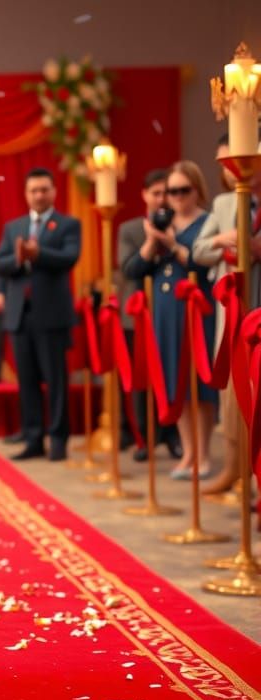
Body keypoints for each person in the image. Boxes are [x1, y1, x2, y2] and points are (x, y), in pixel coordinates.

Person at [124, 160, 215, 480]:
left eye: (182, 190)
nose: (175, 197)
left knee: (198, 385)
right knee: (175, 383)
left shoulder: (208, 222)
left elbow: (206, 265)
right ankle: (188, 452)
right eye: (171, 191)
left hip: (194, 308)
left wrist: (174, 246)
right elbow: (133, 270)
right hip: (164, 309)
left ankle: (203, 455)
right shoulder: (161, 221)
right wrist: (154, 241)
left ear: (196, 190)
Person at [0, 167, 80, 462]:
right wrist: (19, 258)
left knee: (56, 381)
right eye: (33, 190)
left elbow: (70, 258)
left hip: (52, 315)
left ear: (54, 192)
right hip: (20, 315)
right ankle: (32, 438)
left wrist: (37, 253)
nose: (39, 195)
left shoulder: (67, 224)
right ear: (26, 194)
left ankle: (57, 439)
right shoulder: (14, 227)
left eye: (44, 189)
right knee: (26, 380)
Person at [193, 135, 261, 494]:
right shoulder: (222, 205)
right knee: (232, 391)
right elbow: (198, 251)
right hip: (233, 311)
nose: (230, 171)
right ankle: (233, 467)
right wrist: (224, 241)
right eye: (224, 165)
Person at [117, 168, 182, 462]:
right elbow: (129, 269)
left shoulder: (180, 225)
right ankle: (144, 437)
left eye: (165, 193)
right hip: (137, 315)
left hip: (171, 313)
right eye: (155, 193)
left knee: (171, 376)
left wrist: (168, 239)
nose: (160, 199)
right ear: (144, 195)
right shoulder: (130, 229)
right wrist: (150, 242)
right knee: (141, 381)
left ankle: (173, 434)